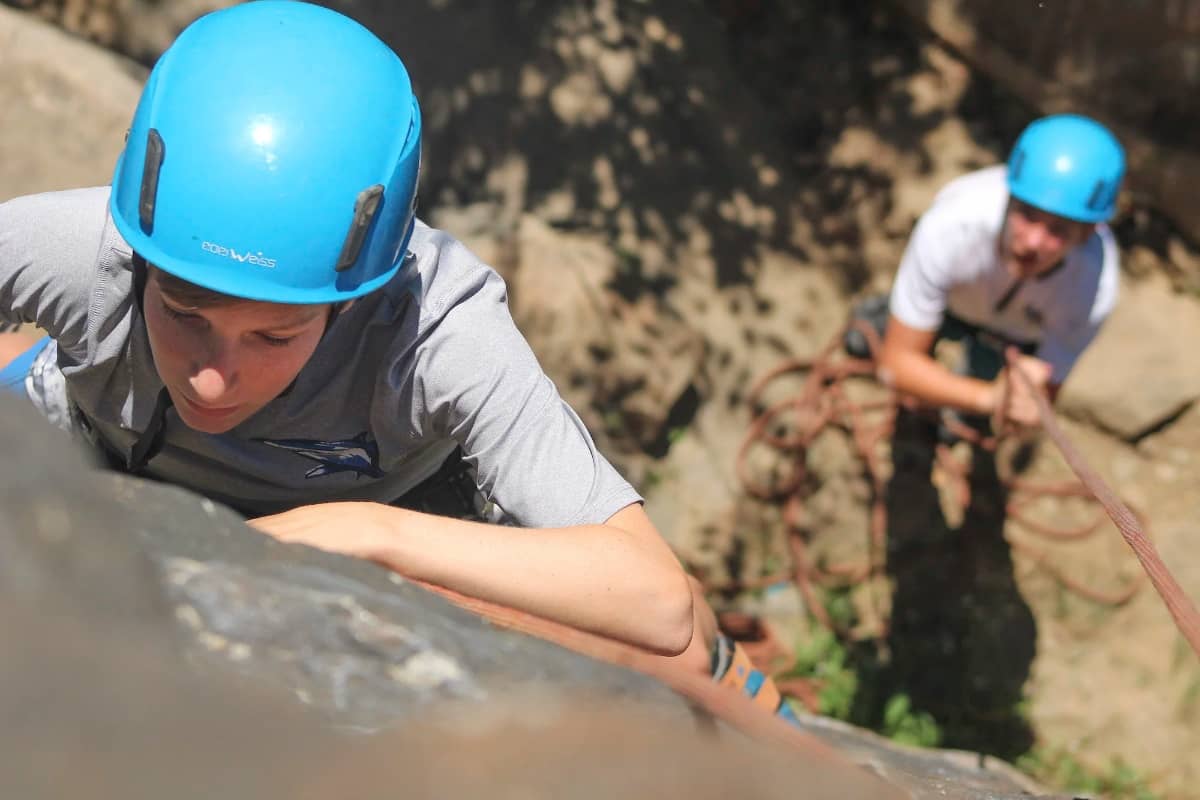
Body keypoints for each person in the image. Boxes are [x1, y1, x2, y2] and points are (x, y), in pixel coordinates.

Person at [0, 1, 795, 723]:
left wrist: (378, 537)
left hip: (377, 508)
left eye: (274, 336)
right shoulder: (73, 250)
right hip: (103, 442)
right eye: (184, 316)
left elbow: (653, 603)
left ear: (352, 302)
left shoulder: (438, 332)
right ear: (140, 258)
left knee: (682, 655)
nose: (211, 376)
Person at [846, 113, 1124, 433]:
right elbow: (896, 365)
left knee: (965, 420)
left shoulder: (1093, 288)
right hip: (954, 305)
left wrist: (1019, 403)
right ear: (1009, 198)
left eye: (1058, 230)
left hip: (1014, 339)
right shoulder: (952, 227)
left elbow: (1037, 406)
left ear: (1088, 232)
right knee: (869, 340)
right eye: (1028, 215)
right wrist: (989, 398)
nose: (1033, 242)